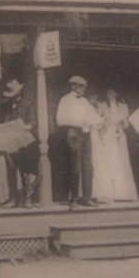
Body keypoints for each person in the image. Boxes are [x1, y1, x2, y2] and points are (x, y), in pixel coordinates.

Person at [55, 75, 101, 206]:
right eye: (81, 86)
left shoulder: (85, 101)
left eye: (84, 87)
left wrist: (94, 121)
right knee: (74, 166)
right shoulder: (65, 100)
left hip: (86, 134)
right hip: (73, 133)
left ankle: (86, 197)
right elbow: (60, 119)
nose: (83, 89)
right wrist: (79, 122)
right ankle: (74, 198)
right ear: (73, 86)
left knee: (88, 166)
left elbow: (92, 117)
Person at [91, 89, 138, 203]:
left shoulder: (122, 106)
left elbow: (126, 125)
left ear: (116, 94)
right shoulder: (102, 106)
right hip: (107, 138)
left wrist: (123, 122)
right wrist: (104, 120)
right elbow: (97, 121)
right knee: (108, 164)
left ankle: (122, 193)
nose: (110, 96)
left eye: (112, 93)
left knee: (120, 163)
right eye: (108, 93)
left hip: (118, 138)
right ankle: (109, 193)